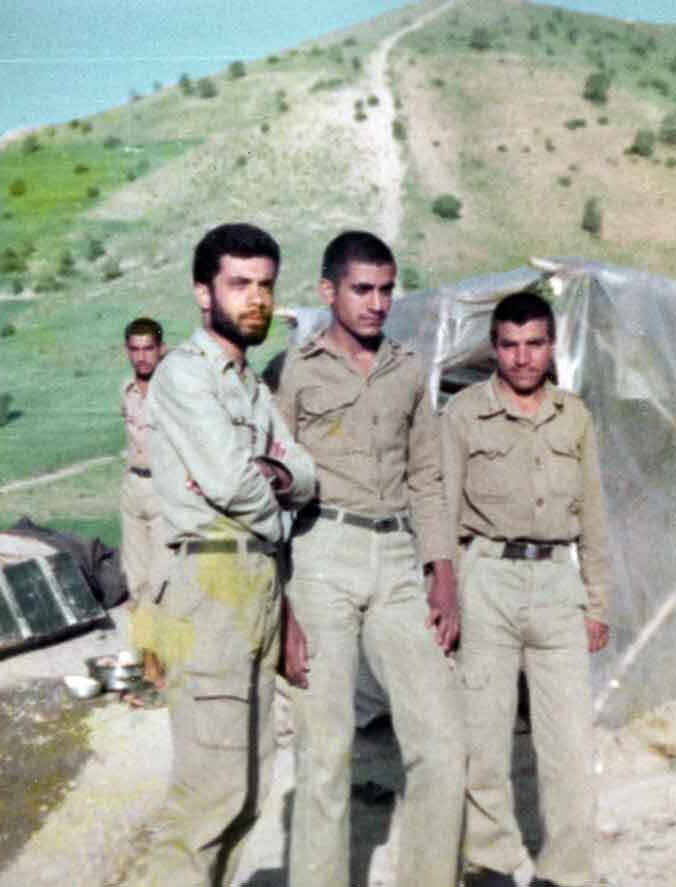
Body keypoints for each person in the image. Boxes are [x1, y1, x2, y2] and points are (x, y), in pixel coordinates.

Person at [274, 230, 466, 887]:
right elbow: (270, 488)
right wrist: (283, 607)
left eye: (386, 290)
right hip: (321, 552)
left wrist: (442, 572)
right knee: (325, 754)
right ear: (328, 291)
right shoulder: (295, 371)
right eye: (362, 289)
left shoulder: (408, 370)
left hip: (398, 557)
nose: (377, 303)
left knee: (442, 744)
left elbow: (427, 478)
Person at [139, 222, 316, 887]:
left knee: (247, 791)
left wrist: (278, 477)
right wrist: (278, 504)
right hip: (210, 580)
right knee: (208, 796)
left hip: (258, 576)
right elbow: (233, 481)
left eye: (265, 285)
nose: (256, 299)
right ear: (202, 293)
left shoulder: (250, 386)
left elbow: (305, 471)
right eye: (239, 284)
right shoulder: (185, 374)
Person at [442, 291, 612, 887]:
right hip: (487, 576)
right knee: (483, 736)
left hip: (556, 582)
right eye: (510, 345)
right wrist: (447, 599)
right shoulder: (464, 413)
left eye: (534, 344)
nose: (522, 358)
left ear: (551, 346)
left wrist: (597, 602)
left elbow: (593, 516)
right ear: (494, 348)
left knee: (569, 743)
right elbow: (443, 514)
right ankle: (488, 860)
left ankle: (567, 870)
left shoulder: (574, 415)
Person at [119, 316, 170, 688]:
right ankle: (147, 658)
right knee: (136, 580)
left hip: (164, 490)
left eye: (149, 348)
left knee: (160, 579)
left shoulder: (172, 390)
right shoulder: (126, 390)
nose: (142, 357)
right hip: (133, 487)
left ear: (161, 349)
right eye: (135, 349)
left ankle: (158, 663)